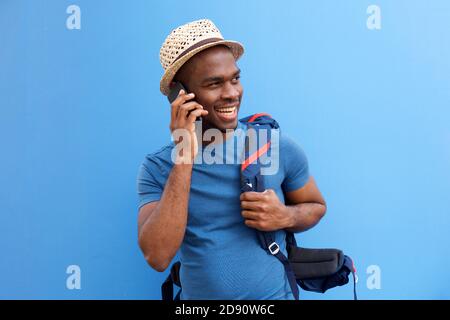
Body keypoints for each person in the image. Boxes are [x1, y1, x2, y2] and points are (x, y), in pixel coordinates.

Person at [136, 19, 327, 300]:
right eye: (214, 83)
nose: (232, 93)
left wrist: (285, 216)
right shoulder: (158, 167)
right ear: (180, 93)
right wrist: (185, 155)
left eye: (235, 79)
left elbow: (316, 206)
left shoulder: (277, 146)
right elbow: (158, 256)